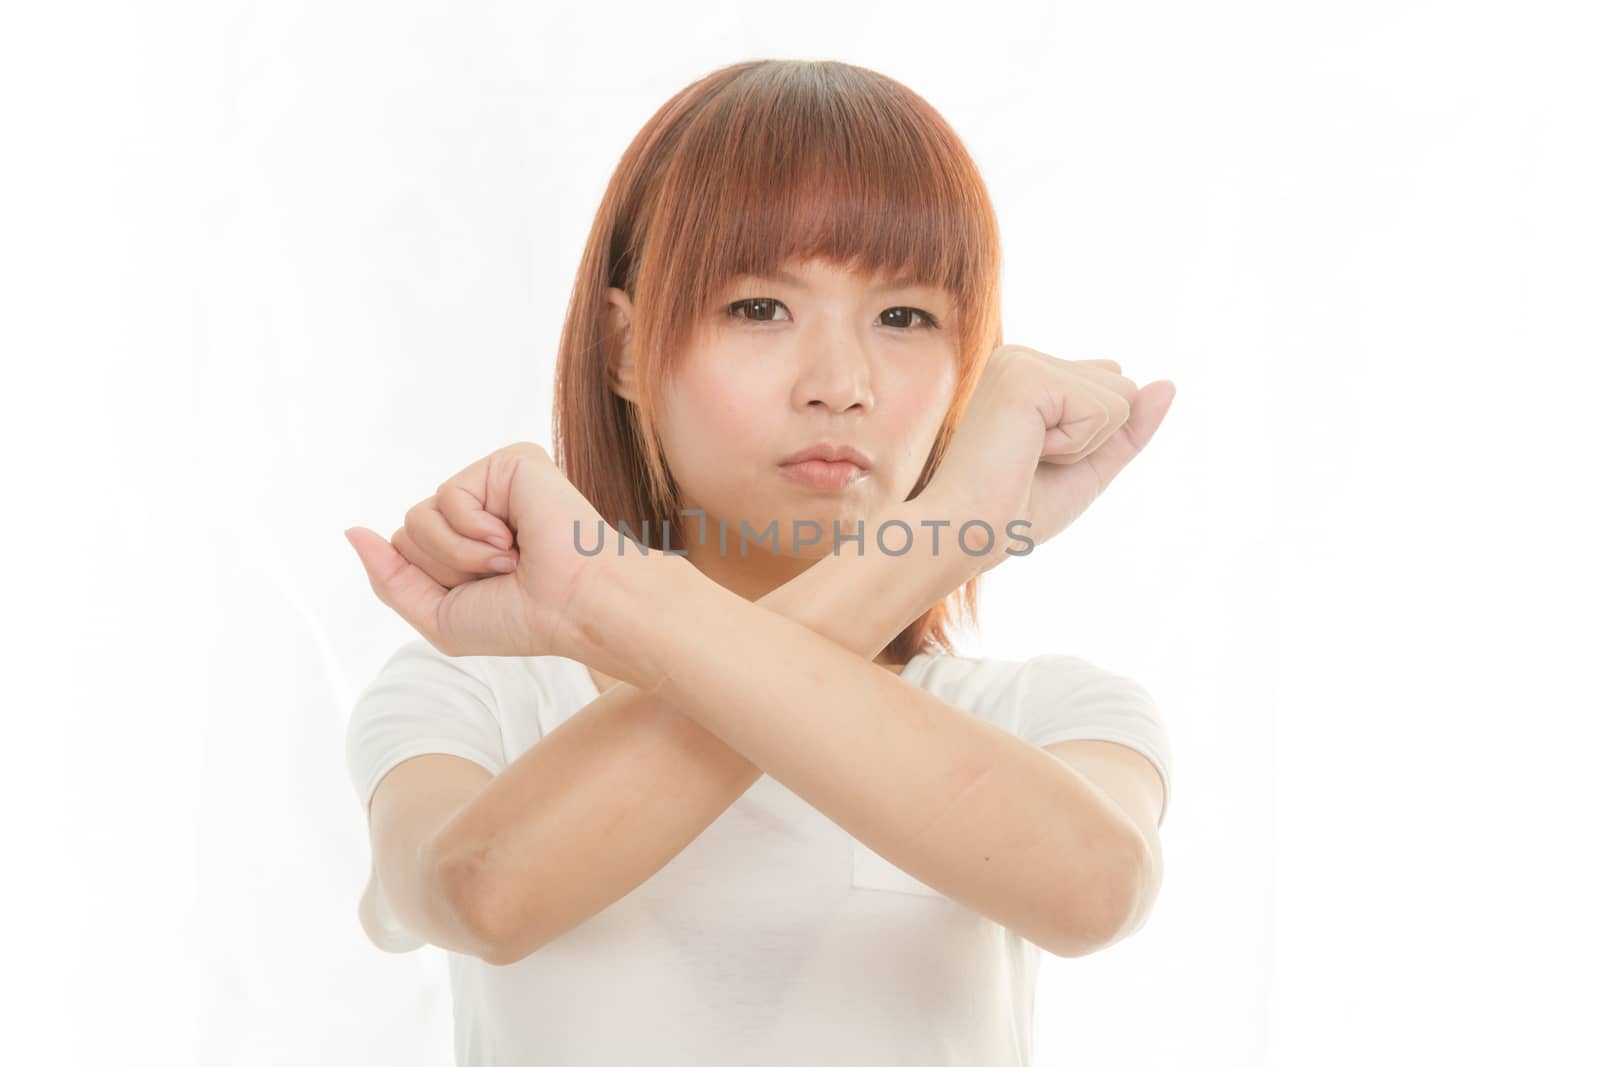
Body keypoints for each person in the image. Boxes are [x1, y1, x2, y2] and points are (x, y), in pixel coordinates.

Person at [343, 57, 1177, 1067]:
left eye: (904, 316)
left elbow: (1093, 888)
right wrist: (934, 539)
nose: (839, 383)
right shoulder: (476, 697)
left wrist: (620, 594)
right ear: (620, 347)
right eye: (758, 308)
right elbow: (484, 891)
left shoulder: (1051, 714)